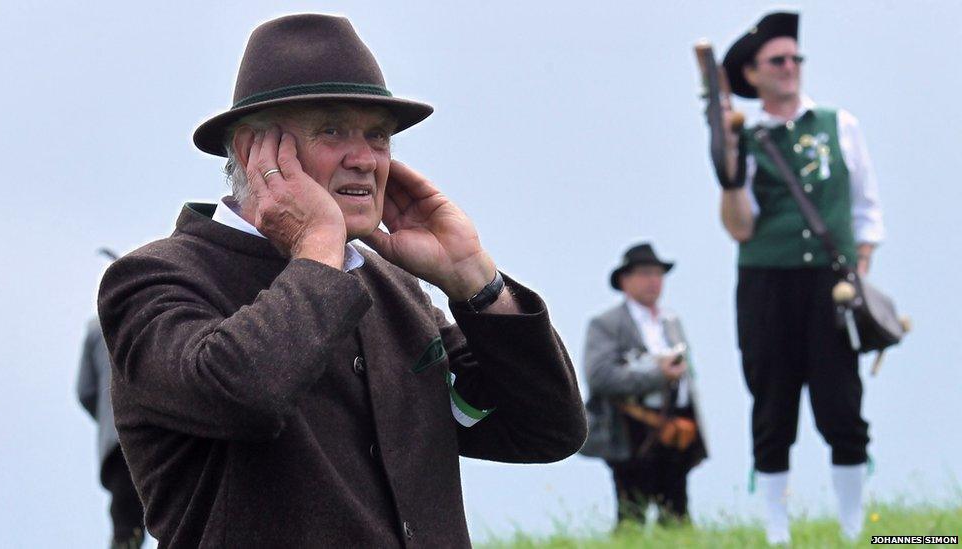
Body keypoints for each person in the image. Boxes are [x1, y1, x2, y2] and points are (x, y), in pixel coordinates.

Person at [97, 14, 586, 548]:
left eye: (377, 136)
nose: (365, 159)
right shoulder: (152, 280)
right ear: (251, 153)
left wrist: (476, 283)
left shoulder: (393, 285)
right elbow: (245, 394)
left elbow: (544, 430)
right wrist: (317, 247)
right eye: (332, 130)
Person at [717, 11, 884, 544]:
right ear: (753, 74)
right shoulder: (744, 136)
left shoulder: (840, 124)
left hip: (830, 286)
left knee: (842, 406)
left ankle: (857, 530)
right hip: (766, 285)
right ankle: (776, 531)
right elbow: (739, 228)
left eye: (795, 58)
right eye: (777, 60)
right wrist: (726, 167)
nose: (790, 67)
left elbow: (866, 213)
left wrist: (858, 276)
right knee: (773, 405)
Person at [580, 243, 707, 527]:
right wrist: (658, 375)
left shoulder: (670, 321)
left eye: (658, 274)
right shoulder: (606, 324)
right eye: (646, 273)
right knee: (632, 513)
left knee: (676, 512)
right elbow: (600, 376)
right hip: (630, 431)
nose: (654, 281)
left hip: (674, 428)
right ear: (625, 280)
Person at [77, 316, 146, 549]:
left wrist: (107, 417)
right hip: (155, 432)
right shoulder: (148, 309)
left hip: (116, 441)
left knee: (126, 525)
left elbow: (85, 391)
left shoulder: (96, 329)